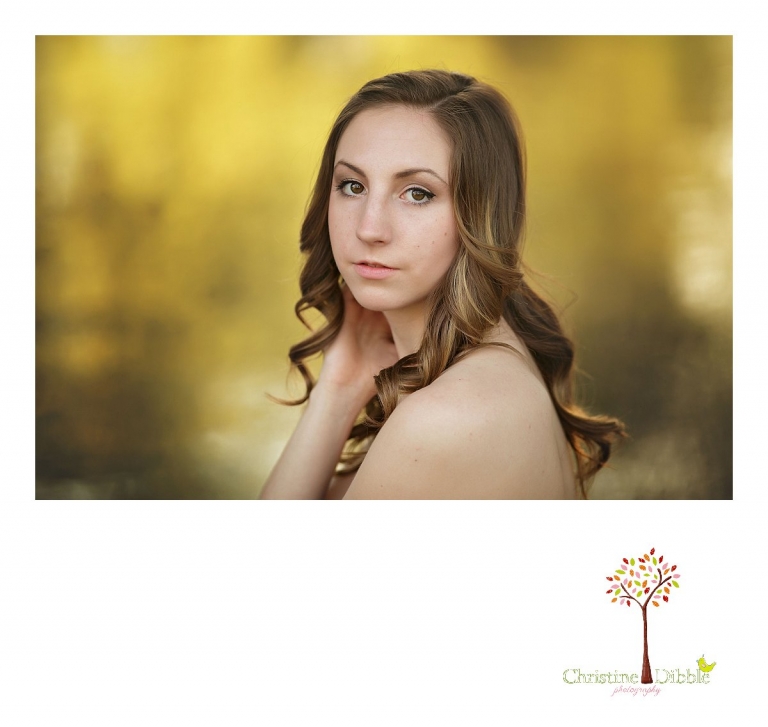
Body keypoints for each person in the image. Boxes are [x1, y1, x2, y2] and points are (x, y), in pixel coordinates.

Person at [260, 69, 625, 500]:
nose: (369, 228)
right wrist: (338, 390)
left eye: (417, 193)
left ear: (480, 214)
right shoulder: (494, 362)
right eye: (353, 186)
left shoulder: (447, 416)